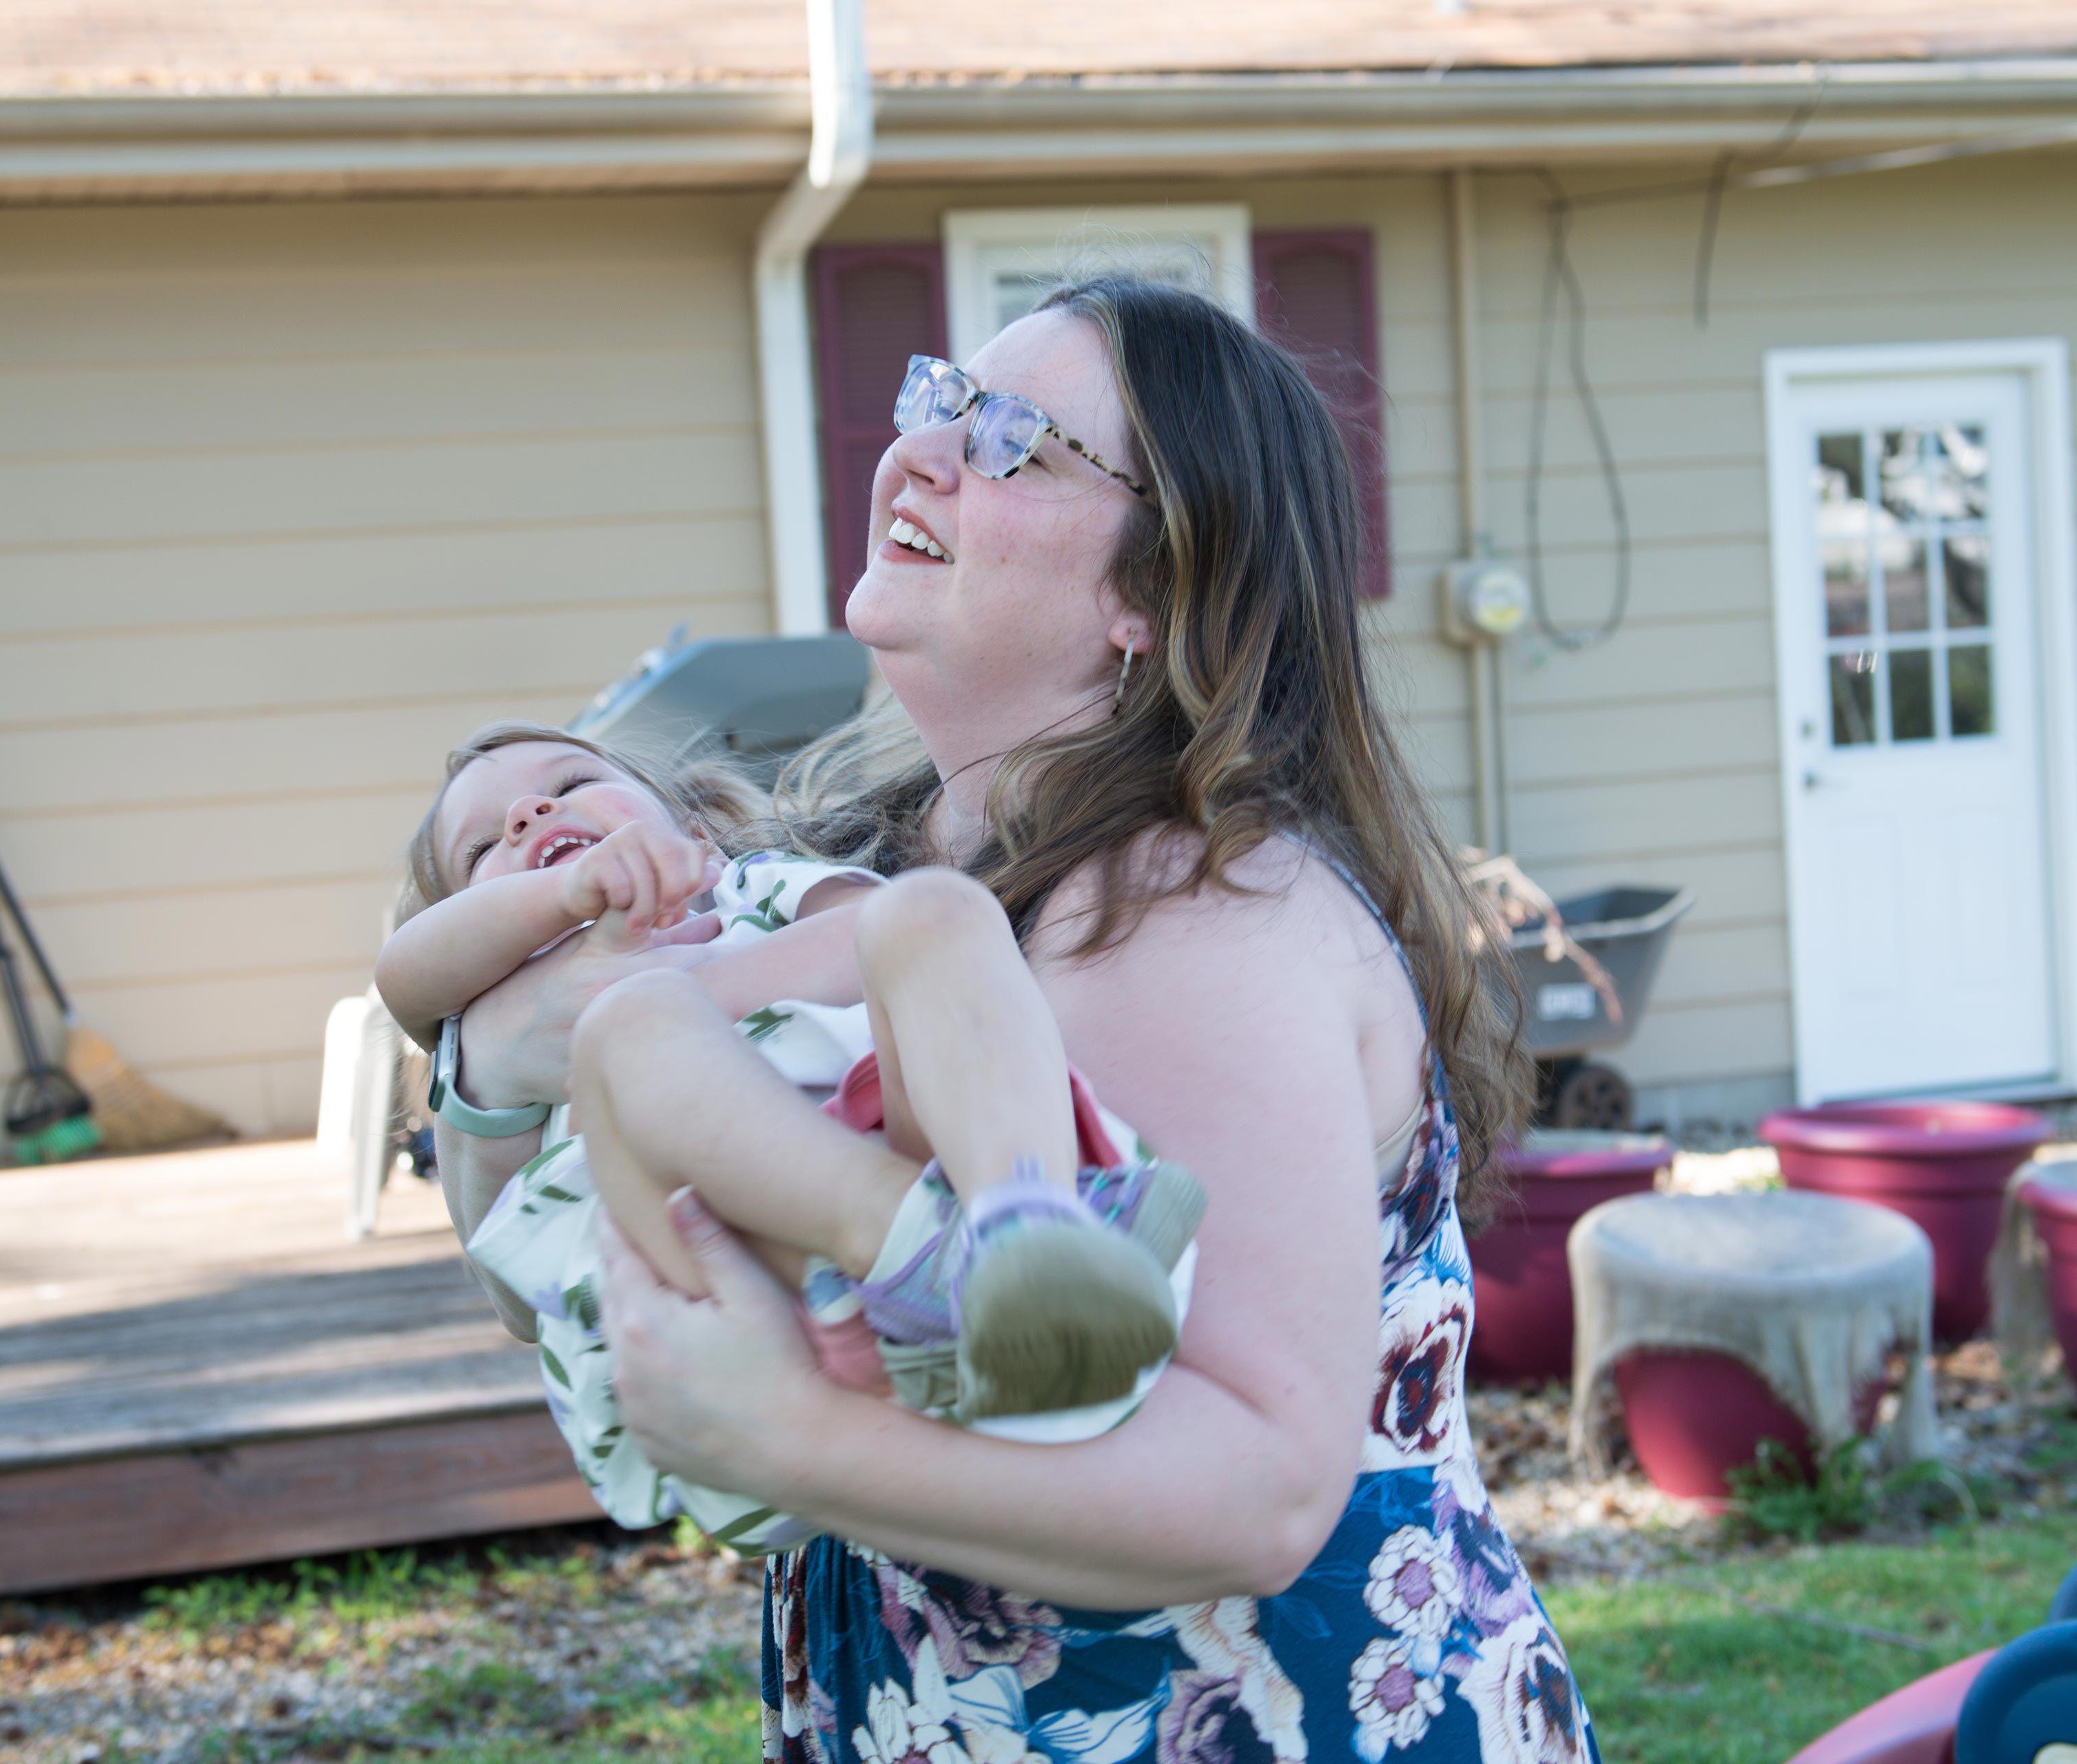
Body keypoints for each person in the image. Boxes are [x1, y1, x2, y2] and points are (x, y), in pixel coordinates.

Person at [439, 278, 1595, 1763]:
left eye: (1017, 444)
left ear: (1155, 597)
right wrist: (488, 1069)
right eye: (938, 402)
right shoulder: (891, 873)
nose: (921, 453)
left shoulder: (1182, 913)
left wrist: (789, 1440)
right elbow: (563, 1252)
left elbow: (1259, 1484)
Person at [378, 724, 1204, 1550]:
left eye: (572, 782)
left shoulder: (744, 890)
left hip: (914, 1175)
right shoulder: (512, 1036)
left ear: (691, 832)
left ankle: (1026, 1216)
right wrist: (566, 907)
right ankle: (933, 1254)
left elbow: (871, 938)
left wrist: (699, 976)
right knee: (634, 1026)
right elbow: (405, 976)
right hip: (728, 1312)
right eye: (484, 843)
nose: (531, 811)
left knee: (935, 906)